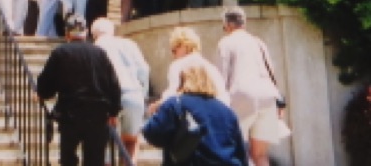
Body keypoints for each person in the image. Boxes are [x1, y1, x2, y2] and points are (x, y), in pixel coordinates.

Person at [37, 15, 122, 166]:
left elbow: (46, 84)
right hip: (98, 113)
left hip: (70, 114)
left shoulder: (60, 53)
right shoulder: (100, 53)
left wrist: (41, 94)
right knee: (95, 159)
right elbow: (113, 84)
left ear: (67, 33)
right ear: (86, 33)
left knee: (68, 158)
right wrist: (114, 111)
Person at [217, 7, 289, 166]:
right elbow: (271, 72)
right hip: (267, 97)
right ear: (244, 23)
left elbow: (222, 76)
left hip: (240, 96)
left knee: (235, 151)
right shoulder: (258, 42)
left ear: (228, 25)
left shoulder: (226, 42)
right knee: (260, 155)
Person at [142, 64, 249, 166]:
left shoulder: (176, 103)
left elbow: (152, 133)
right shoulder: (227, 111)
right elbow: (240, 151)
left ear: (182, 81)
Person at [90, 17, 150, 161]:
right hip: (133, 95)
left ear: (93, 34)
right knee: (130, 141)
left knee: (104, 145)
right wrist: (143, 95)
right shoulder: (129, 44)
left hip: (107, 99)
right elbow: (144, 70)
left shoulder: (94, 48)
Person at [154, 27, 229, 108]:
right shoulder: (211, 67)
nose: (173, 55)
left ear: (184, 46)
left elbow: (171, 95)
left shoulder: (178, 65)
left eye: (174, 50)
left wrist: (157, 105)